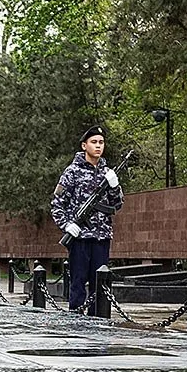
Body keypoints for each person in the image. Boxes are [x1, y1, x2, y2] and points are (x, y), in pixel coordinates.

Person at [51, 125, 123, 314]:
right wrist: (67, 225)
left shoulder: (107, 173)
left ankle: (98, 323)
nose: (98, 146)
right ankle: (76, 324)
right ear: (84, 145)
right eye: (94, 142)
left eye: (101, 142)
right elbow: (57, 204)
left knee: (100, 285)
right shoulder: (72, 172)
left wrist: (114, 186)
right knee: (78, 283)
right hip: (80, 237)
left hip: (101, 237)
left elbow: (117, 204)